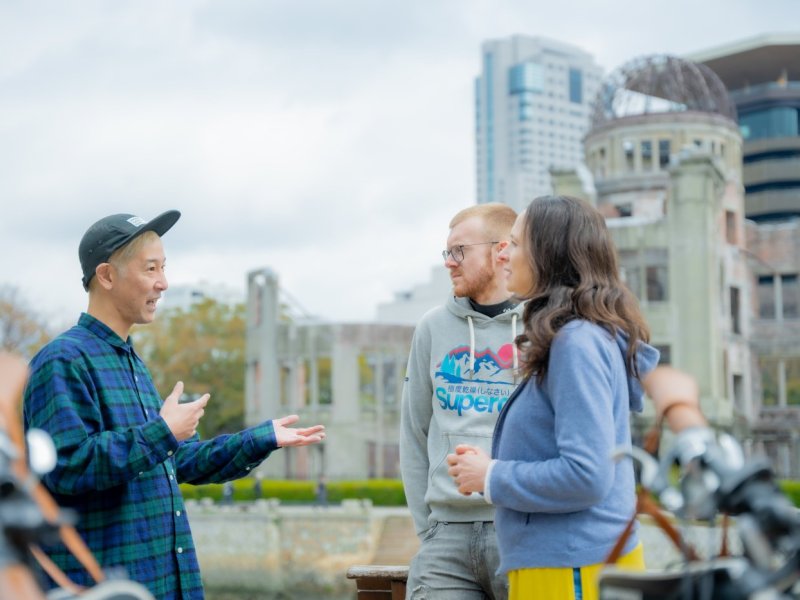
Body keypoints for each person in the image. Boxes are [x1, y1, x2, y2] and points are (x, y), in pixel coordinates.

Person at [23, 210, 325, 600]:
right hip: (105, 588)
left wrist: (261, 438)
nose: (163, 283)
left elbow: (175, 461)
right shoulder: (62, 360)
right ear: (107, 276)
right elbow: (66, 467)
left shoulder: (131, 362)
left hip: (164, 585)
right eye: (151, 268)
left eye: (163, 268)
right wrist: (162, 432)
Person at [447, 195, 659, 600]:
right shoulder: (576, 337)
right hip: (567, 564)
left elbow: (587, 475)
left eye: (515, 243)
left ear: (549, 255)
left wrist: (490, 476)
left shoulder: (575, 343)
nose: (503, 253)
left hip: (572, 568)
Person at [400, 203, 521, 600]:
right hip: (445, 540)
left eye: (459, 251)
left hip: (520, 530)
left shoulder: (544, 325)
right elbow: (414, 431)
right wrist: (429, 529)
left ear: (501, 250)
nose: (449, 262)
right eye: (447, 252)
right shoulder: (432, 327)